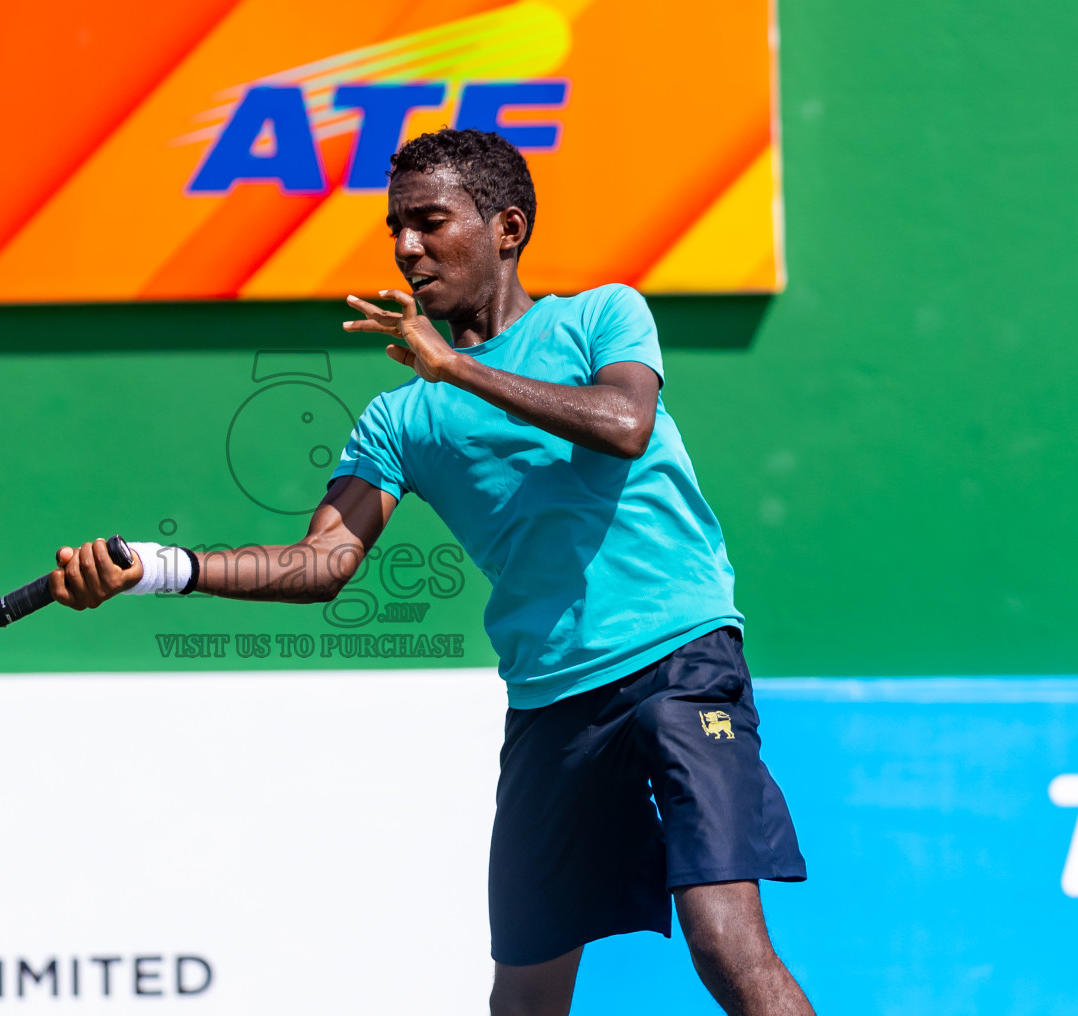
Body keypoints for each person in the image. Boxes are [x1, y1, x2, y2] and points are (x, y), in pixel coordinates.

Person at [50, 128, 813, 1016]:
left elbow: (622, 423)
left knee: (726, 941)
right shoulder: (399, 418)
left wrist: (456, 367)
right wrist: (158, 568)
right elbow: (320, 563)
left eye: (431, 222)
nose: (408, 248)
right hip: (549, 705)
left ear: (507, 228)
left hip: (678, 662)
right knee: (523, 1001)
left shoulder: (604, 315)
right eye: (395, 229)